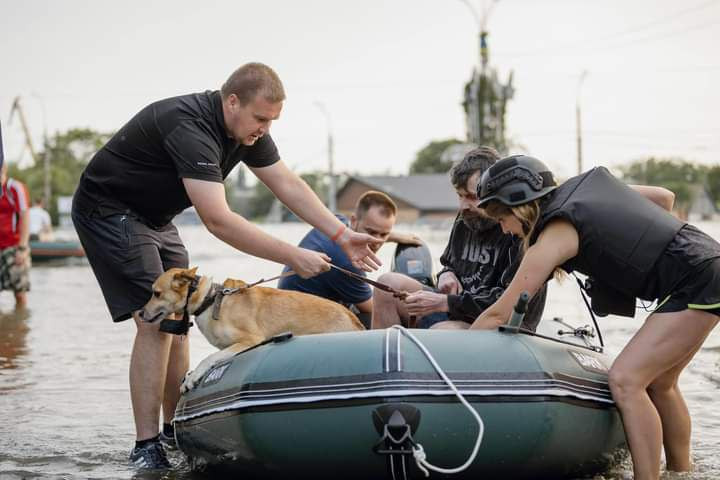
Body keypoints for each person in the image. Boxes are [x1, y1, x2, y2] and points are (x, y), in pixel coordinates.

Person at [71, 63, 382, 470]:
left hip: (156, 218)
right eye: (260, 118)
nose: (265, 129)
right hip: (109, 210)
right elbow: (217, 220)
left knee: (179, 322)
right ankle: (146, 445)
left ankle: (173, 431)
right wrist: (291, 255)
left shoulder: (249, 130)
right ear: (231, 102)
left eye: (272, 120)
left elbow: (287, 184)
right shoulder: (189, 126)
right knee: (155, 321)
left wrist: (341, 235)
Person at [474, 154, 719, 480]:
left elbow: (500, 312)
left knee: (626, 380)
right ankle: (682, 472)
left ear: (520, 206)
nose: (504, 230)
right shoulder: (588, 190)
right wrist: (642, 240)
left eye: (500, 218)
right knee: (661, 384)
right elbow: (663, 198)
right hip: (706, 260)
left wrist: (461, 344)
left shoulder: (554, 235)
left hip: (695, 280)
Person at [372, 147, 546, 331]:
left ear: (492, 191)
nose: (463, 206)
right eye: (460, 195)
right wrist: (447, 274)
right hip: (454, 308)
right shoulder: (466, 218)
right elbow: (450, 264)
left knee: (442, 331)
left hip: (495, 321)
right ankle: (386, 357)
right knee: (386, 285)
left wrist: (446, 302)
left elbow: (505, 303)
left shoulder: (516, 230)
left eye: (471, 197)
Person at [278, 190, 420, 328]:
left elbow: (371, 233)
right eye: (371, 232)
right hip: (298, 318)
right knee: (384, 312)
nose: (377, 241)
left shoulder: (335, 223)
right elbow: (372, 307)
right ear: (354, 221)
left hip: (290, 298)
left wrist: (394, 237)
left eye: (384, 234)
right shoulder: (347, 261)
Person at [0, 163, 31, 309]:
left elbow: (25, 216)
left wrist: (23, 248)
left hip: (13, 246)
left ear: (4, 169)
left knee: (19, 292)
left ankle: (20, 326)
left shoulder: (14, 188)